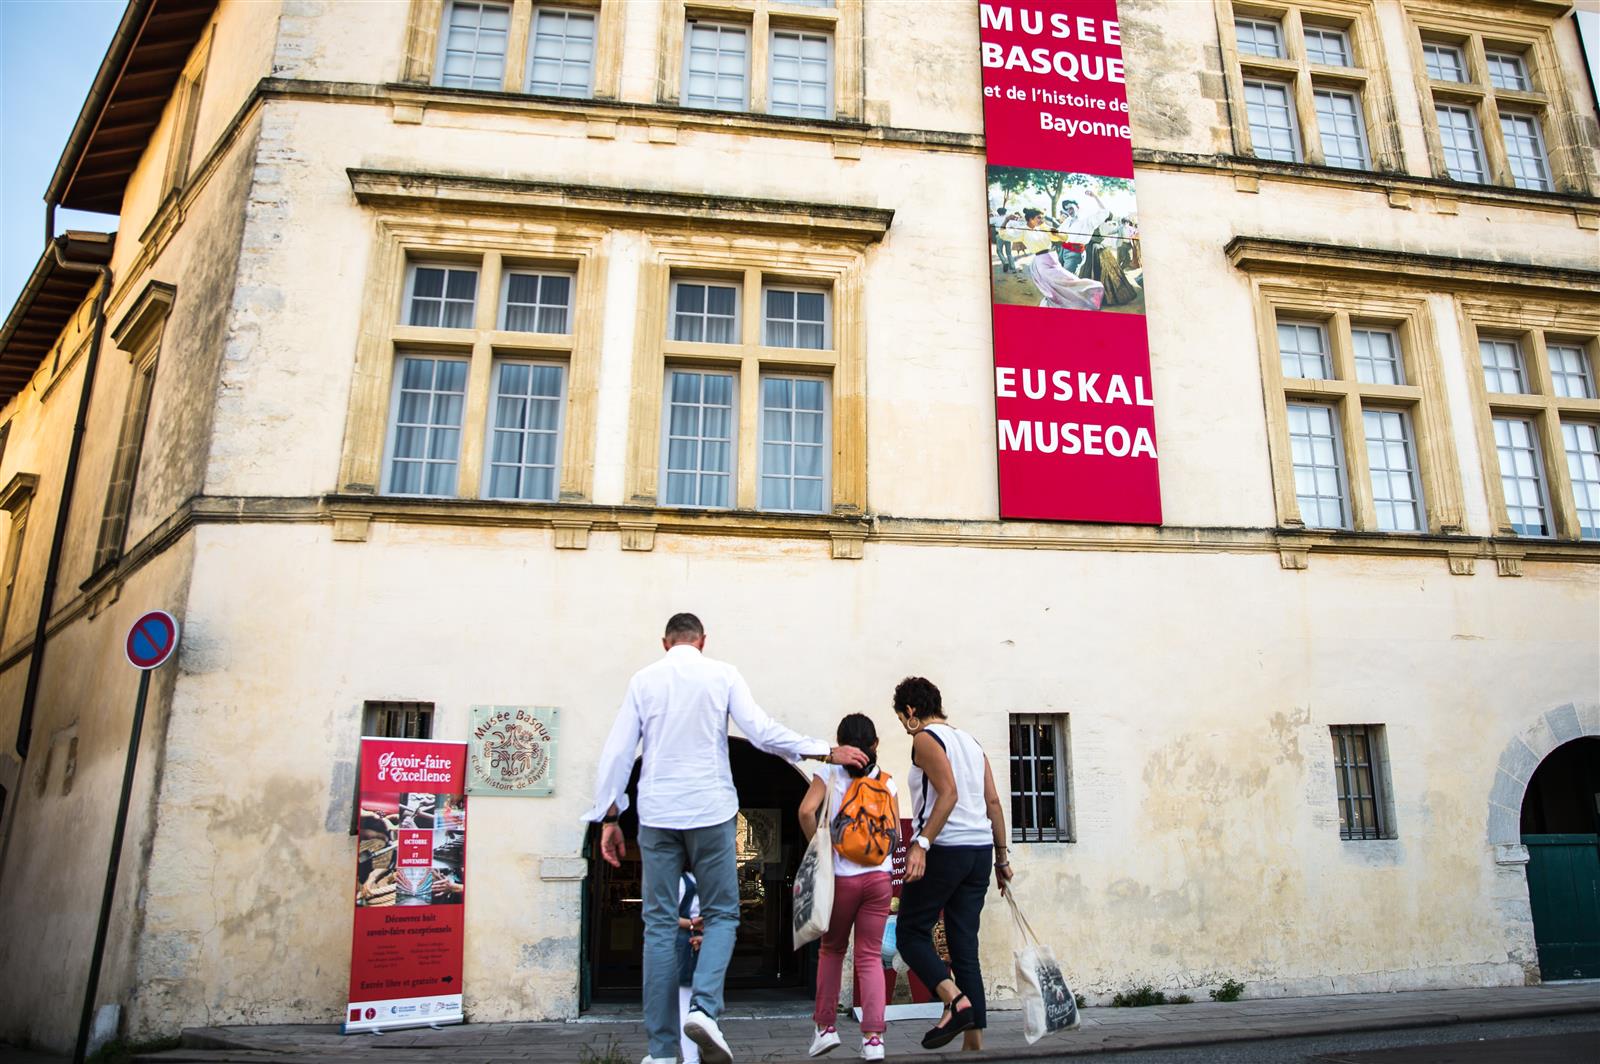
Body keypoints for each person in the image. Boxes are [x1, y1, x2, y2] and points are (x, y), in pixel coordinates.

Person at [585, 613, 868, 1064]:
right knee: (722, 916)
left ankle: (661, 1052)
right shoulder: (723, 675)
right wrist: (823, 750)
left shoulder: (643, 680)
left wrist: (610, 817)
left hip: (657, 813)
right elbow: (761, 732)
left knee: (658, 928)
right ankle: (704, 1011)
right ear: (702, 641)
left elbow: (618, 750)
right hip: (711, 810)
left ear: (665, 643)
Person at [892, 677, 1013, 1053]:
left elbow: (948, 793)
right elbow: (993, 802)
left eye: (901, 717)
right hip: (978, 853)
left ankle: (955, 1001)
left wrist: (922, 844)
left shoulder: (926, 739)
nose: (903, 725)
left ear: (910, 711)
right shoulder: (973, 744)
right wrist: (1001, 858)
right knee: (964, 948)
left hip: (945, 849)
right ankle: (973, 1046)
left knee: (910, 933)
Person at [797, 714, 899, 1060]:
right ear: (875, 745)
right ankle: (873, 1039)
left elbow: (806, 812)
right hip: (879, 878)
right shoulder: (887, 781)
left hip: (841, 878)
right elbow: (895, 834)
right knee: (870, 956)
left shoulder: (828, 773)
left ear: (840, 744)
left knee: (832, 950)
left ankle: (825, 1028)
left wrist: (821, 850)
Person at [1012, 209, 1104, 311]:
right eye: (1066, 208)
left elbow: (1062, 235)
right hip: (1062, 251)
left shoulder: (1086, 220)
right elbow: (1059, 233)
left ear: (1077, 207)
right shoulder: (1068, 221)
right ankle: (1060, 301)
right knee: (1058, 280)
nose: (1068, 211)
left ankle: (1075, 302)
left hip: (1076, 252)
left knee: (1067, 279)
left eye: (1070, 208)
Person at [677, 873, 703, 1064]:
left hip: (697, 941)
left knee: (693, 1002)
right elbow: (663, 914)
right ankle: (691, 1058)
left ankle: (694, 1057)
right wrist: (693, 924)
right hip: (684, 943)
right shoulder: (680, 880)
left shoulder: (697, 877)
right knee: (685, 1002)